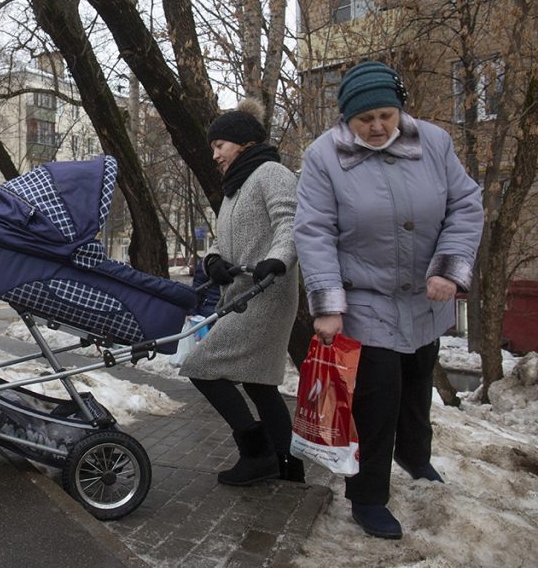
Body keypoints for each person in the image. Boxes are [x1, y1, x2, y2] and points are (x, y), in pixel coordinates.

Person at [293, 61, 483, 540]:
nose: (378, 127)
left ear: (399, 111)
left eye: (386, 116)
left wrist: (449, 267)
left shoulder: (434, 143)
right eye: (365, 120)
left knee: (417, 388)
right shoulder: (323, 157)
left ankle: (416, 457)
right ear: (346, 120)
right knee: (376, 403)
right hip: (365, 303)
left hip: (425, 299)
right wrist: (328, 305)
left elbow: (466, 204)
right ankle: (368, 496)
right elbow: (314, 232)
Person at [179, 98, 303, 486]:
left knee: (200, 367)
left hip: (268, 292)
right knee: (260, 383)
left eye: (219, 145)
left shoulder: (271, 173)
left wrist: (278, 260)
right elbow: (221, 241)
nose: (215, 154)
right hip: (242, 294)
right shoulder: (234, 189)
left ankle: (257, 453)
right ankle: (288, 466)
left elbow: (291, 222)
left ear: (242, 142)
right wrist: (213, 261)